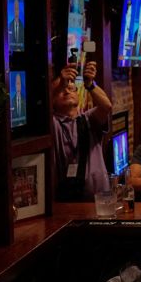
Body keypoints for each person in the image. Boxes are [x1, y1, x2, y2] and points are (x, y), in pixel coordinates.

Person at [51, 61, 113, 201]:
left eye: (71, 89)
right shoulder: (53, 123)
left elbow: (106, 106)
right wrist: (59, 83)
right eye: (62, 90)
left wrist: (90, 84)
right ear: (53, 100)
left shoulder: (88, 118)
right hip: (69, 202)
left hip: (101, 200)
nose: (67, 90)